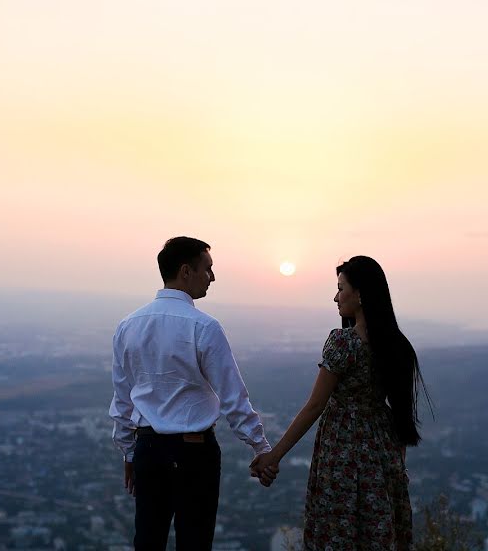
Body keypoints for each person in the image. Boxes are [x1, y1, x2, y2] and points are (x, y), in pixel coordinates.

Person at [251, 255, 432, 550]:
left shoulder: (343, 343)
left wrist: (274, 456)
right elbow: (400, 415)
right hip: (383, 454)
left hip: (342, 451)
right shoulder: (398, 345)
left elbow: (314, 406)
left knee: (338, 530)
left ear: (359, 294)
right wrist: (399, 466)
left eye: (340, 288)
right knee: (377, 529)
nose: (336, 297)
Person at [109, 236, 277, 551]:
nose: (212, 278)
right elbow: (234, 399)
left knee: (147, 541)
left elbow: (122, 401)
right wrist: (261, 448)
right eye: (207, 269)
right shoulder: (204, 327)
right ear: (186, 271)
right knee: (195, 543)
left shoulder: (128, 325)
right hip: (193, 453)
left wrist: (129, 453)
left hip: (147, 448)